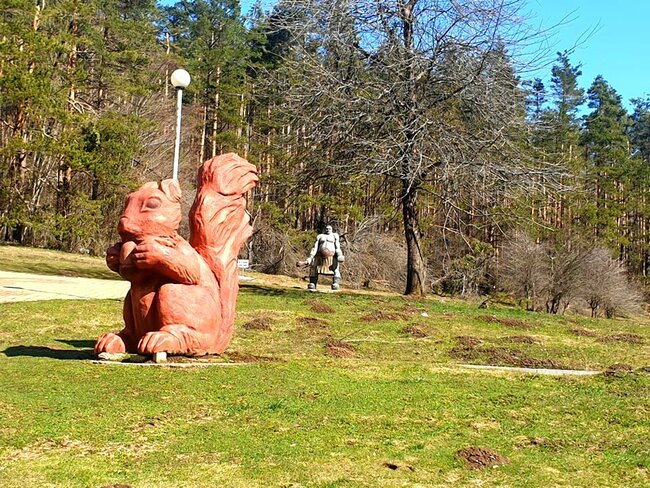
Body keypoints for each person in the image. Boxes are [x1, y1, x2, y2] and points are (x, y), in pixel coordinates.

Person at [304, 225, 344, 290]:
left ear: (332, 229)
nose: (328, 230)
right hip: (319, 257)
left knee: (336, 269)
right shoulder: (320, 236)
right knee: (314, 269)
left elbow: (338, 247)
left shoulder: (334, 236)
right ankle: (313, 283)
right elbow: (315, 247)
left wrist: (340, 255)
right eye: (326, 229)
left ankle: (336, 283)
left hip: (331, 257)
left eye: (329, 229)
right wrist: (310, 257)